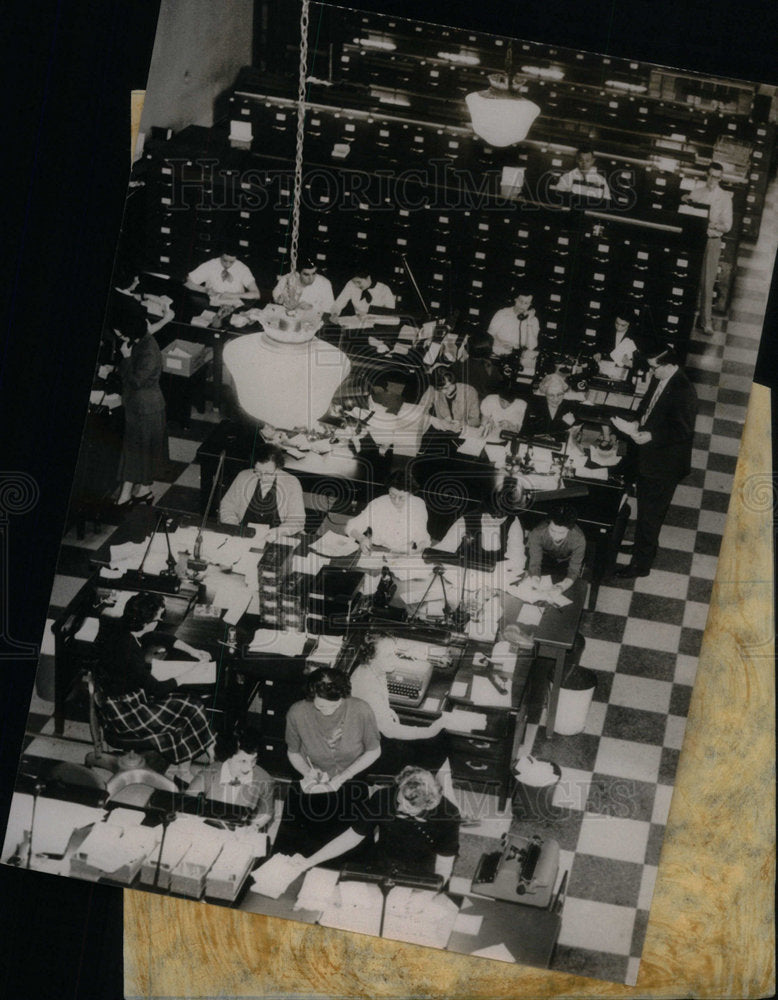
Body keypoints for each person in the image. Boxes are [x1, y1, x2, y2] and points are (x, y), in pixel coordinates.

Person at [95, 592, 215, 785]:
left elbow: (158, 636)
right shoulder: (128, 651)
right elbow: (155, 689)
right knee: (190, 707)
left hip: (125, 696)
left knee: (191, 704)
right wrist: (187, 675)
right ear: (146, 621)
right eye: (159, 616)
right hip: (125, 711)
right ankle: (205, 756)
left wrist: (193, 651)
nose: (160, 620)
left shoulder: (124, 628)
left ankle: (190, 764)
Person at [273, 668, 381, 856]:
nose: (328, 712)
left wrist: (343, 777)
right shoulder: (297, 712)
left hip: (351, 779)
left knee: (352, 849)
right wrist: (308, 773)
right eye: (321, 706)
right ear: (311, 696)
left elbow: (374, 751)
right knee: (291, 849)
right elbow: (294, 753)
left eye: (334, 705)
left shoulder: (361, 710)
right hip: (313, 779)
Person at [611, 345, 697, 578]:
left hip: (664, 465)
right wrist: (636, 423)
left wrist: (652, 435)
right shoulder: (660, 378)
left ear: (669, 365)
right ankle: (644, 548)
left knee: (650, 514)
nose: (651, 373)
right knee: (648, 510)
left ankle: (641, 564)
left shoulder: (684, 390)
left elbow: (683, 431)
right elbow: (647, 408)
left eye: (654, 368)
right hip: (649, 456)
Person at [289, 766, 460, 882]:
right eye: (399, 799)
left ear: (429, 804)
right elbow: (353, 836)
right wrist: (309, 861)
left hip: (422, 871)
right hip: (382, 861)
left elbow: (444, 864)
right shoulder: (384, 797)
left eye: (408, 807)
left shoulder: (448, 814)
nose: (399, 807)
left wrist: (429, 892)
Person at [349, 635, 452, 782]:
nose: (395, 659)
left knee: (441, 738)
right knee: (436, 745)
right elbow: (390, 731)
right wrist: (429, 731)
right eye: (388, 655)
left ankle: (442, 792)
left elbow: (374, 707)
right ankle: (419, 789)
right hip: (367, 752)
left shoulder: (374, 669)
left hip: (374, 734)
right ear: (371, 658)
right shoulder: (366, 686)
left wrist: (386, 710)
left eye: (395, 654)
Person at [114, 309, 168, 507]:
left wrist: (126, 358)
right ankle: (137, 491)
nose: (119, 336)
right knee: (136, 451)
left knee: (139, 451)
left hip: (147, 409)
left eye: (120, 333)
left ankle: (133, 493)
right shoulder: (140, 341)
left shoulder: (149, 350)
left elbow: (136, 381)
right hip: (139, 407)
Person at [681, 162, 733, 335]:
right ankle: (683, 315)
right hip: (694, 239)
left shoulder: (725, 197)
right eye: (711, 175)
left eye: (717, 177)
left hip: (712, 240)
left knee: (707, 282)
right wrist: (685, 200)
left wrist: (713, 224)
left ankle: (706, 321)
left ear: (721, 178)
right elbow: (687, 214)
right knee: (688, 277)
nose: (713, 179)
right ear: (706, 174)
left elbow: (728, 226)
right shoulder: (696, 193)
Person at [187, 731, 275, 827]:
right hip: (208, 827)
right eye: (243, 761)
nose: (249, 768)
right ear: (228, 758)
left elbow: (266, 813)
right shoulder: (211, 771)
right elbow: (188, 799)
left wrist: (252, 827)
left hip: (239, 832)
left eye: (253, 760)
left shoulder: (265, 780)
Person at [435, 483, 527, 575]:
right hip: (468, 575)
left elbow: (517, 558)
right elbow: (444, 549)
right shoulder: (467, 520)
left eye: (502, 519)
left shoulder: (513, 521)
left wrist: (496, 568)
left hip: (500, 575)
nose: (496, 521)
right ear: (484, 511)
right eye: (493, 517)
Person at [218, 442, 306, 538]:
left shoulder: (292, 483)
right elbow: (227, 507)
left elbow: (297, 520)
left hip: (278, 536)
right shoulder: (243, 476)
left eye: (268, 473)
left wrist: (279, 532)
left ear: (278, 468)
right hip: (244, 535)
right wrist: (234, 527)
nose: (263, 478)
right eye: (258, 472)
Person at [347, 470, 431, 554]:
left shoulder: (418, 505)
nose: (396, 501)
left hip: (406, 551)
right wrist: (362, 539)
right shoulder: (378, 504)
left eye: (401, 497)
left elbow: (422, 535)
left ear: (410, 494)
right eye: (392, 495)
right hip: (379, 550)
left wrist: (420, 547)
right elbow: (351, 526)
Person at [527, 505, 586, 591]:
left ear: (569, 529)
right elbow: (535, 563)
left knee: (571, 591)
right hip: (545, 558)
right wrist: (535, 579)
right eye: (552, 530)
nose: (556, 536)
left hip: (566, 562)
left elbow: (574, 570)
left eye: (561, 533)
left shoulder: (579, 539)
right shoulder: (537, 533)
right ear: (548, 524)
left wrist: (562, 586)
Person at [184, 249, 260, 304]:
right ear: (220, 256)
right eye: (224, 261)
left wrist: (233, 295)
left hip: (235, 305)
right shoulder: (211, 264)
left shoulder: (242, 268)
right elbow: (188, 282)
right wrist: (205, 290)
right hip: (212, 304)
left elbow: (256, 294)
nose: (227, 265)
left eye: (231, 262)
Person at [487, 287, 540, 355]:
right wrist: (501, 344)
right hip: (499, 352)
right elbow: (489, 335)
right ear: (515, 299)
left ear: (530, 305)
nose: (522, 305)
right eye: (520, 301)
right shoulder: (502, 313)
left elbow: (531, 346)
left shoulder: (533, 320)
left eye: (526, 303)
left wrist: (529, 322)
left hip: (519, 356)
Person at [427, 366, 481, 433]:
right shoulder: (434, 392)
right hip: (444, 432)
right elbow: (421, 411)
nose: (449, 390)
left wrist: (462, 423)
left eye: (450, 385)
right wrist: (437, 421)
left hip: (464, 431)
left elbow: (476, 421)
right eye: (442, 388)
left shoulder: (469, 391)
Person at [525, 372, 578, 437]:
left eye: (559, 394)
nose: (556, 399)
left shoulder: (570, 406)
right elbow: (528, 432)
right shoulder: (535, 405)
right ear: (545, 394)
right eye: (551, 395)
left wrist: (574, 430)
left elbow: (576, 435)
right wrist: (564, 424)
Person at [331, 268, 396, 317]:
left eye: (359, 282)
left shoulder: (384, 289)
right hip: (358, 324)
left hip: (377, 326)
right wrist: (334, 314)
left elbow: (391, 313)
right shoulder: (351, 285)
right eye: (354, 282)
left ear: (368, 278)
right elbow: (339, 303)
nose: (356, 285)